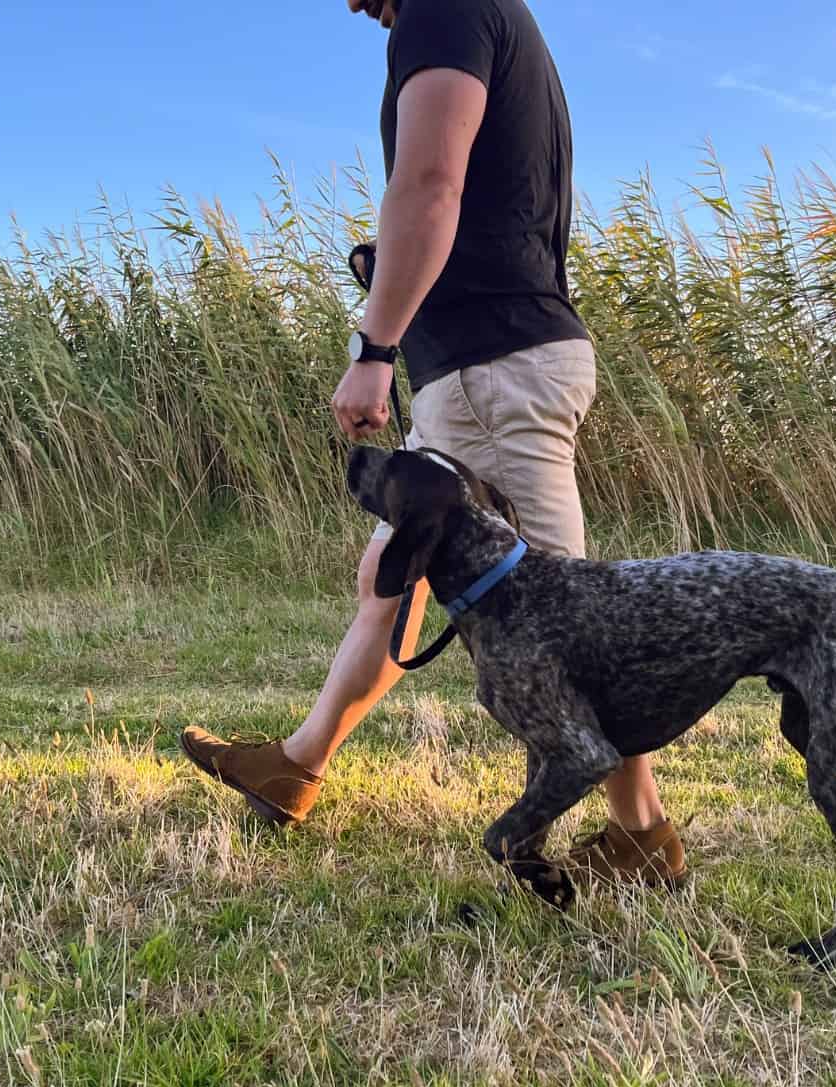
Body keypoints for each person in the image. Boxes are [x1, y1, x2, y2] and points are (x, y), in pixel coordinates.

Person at [181, 0, 686, 887]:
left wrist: (373, 350)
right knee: (393, 571)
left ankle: (643, 835)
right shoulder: (486, 13)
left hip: (495, 369)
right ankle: (295, 767)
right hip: (492, 361)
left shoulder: (444, 7)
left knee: (564, 620)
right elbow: (478, 201)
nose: (348, 2)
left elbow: (428, 185)